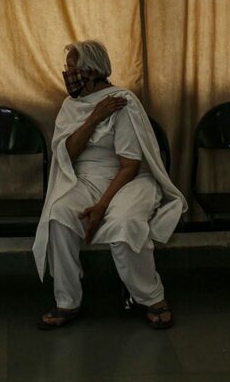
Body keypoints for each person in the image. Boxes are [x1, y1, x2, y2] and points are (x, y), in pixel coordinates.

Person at [33, 40, 186, 329]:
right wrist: (94, 117)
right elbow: (69, 153)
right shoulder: (71, 105)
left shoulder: (123, 102)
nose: (68, 74)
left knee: (124, 223)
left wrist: (102, 206)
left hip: (129, 179)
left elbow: (130, 165)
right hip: (87, 178)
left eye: (72, 68)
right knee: (59, 215)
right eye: (67, 68)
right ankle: (68, 300)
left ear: (92, 71)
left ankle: (152, 296)